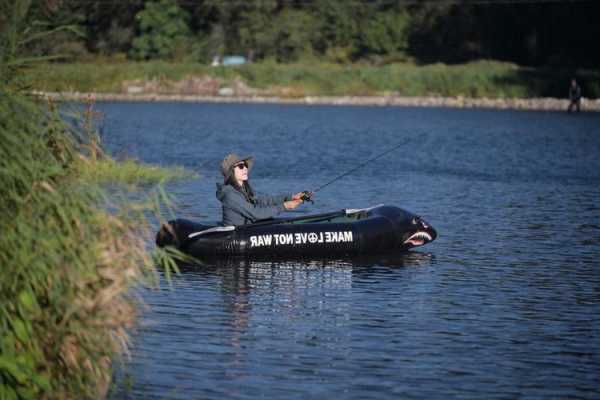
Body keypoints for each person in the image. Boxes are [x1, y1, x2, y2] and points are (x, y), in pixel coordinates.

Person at [216, 153, 311, 226]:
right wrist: (284, 206)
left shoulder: (244, 189)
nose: (245, 168)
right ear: (231, 173)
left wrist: (290, 197)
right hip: (235, 237)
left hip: (248, 229)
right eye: (241, 166)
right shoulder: (230, 195)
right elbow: (255, 213)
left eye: (245, 165)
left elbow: (262, 201)